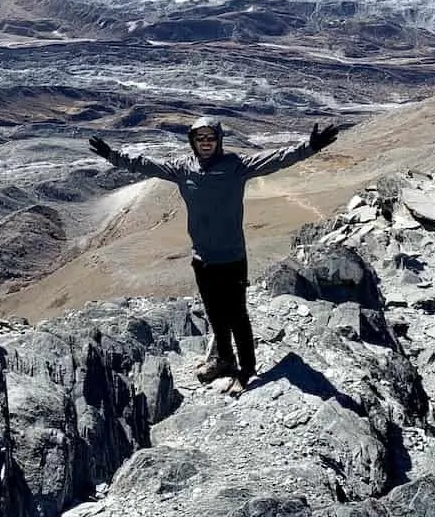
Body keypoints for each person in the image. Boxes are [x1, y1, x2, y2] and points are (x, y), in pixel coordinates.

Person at [88, 116, 340, 396]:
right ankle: (223, 360)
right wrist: (112, 155)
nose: (205, 143)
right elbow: (146, 164)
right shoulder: (182, 168)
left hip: (231, 257)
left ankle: (246, 370)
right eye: (200, 138)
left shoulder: (236, 166)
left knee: (237, 316)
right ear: (192, 142)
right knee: (215, 315)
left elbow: (277, 159)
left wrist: (310, 146)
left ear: (219, 140)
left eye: (211, 138)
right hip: (202, 257)